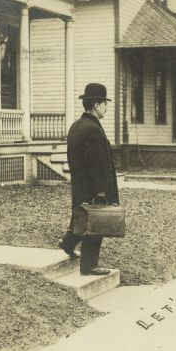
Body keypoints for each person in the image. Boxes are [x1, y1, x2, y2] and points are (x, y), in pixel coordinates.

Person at [58, 83, 120, 276]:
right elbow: (97, 164)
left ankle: (68, 243)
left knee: (81, 216)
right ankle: (89, 265)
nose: (106, 108)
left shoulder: (76, 126)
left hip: (80, 184)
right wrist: (102, 191)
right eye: (104, 104)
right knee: (95, 224)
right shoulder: (93, 129)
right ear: (95, 105)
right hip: (95, 187)